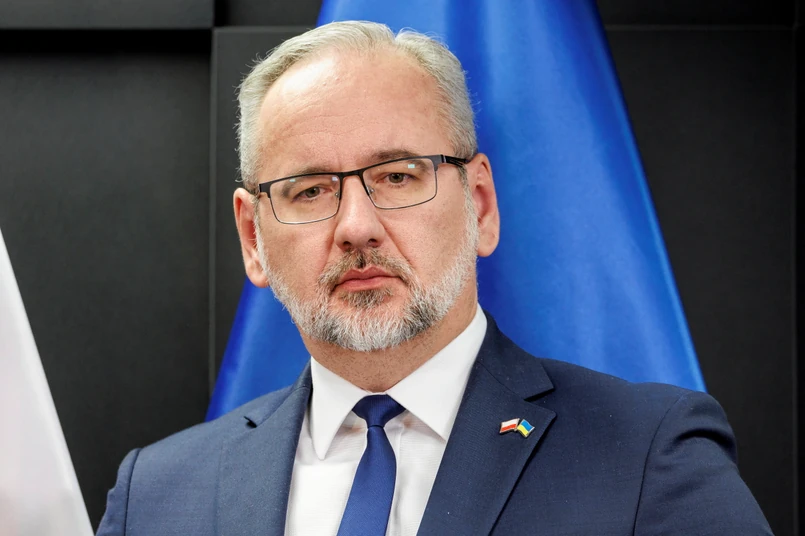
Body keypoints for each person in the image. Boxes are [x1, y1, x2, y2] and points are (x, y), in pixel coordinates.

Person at [97, 21, 772, 535]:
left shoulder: (647, 457)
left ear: (480, 205)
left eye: (397, 176)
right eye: (310, 190)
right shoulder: (156, 496)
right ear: (253, 237)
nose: (356, 226)